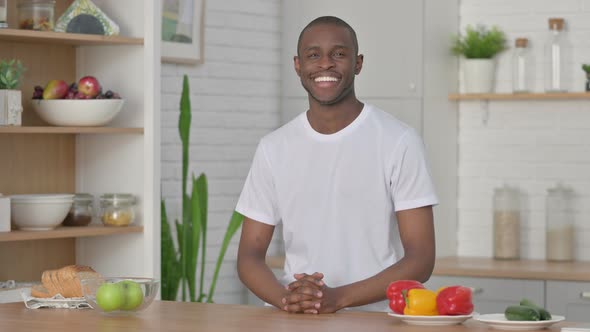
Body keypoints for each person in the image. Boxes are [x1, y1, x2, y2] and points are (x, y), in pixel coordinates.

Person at [236, 15, 438, 314]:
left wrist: (337, 298)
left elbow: (421, 259)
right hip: (294, 318)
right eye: (313, 55)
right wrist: (286, 299)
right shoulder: (273, 147)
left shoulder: (399, 141)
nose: (325, 64)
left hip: (373, 319)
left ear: (358, 63)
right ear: (298, 66)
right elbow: (249, 257)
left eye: (339, 54)